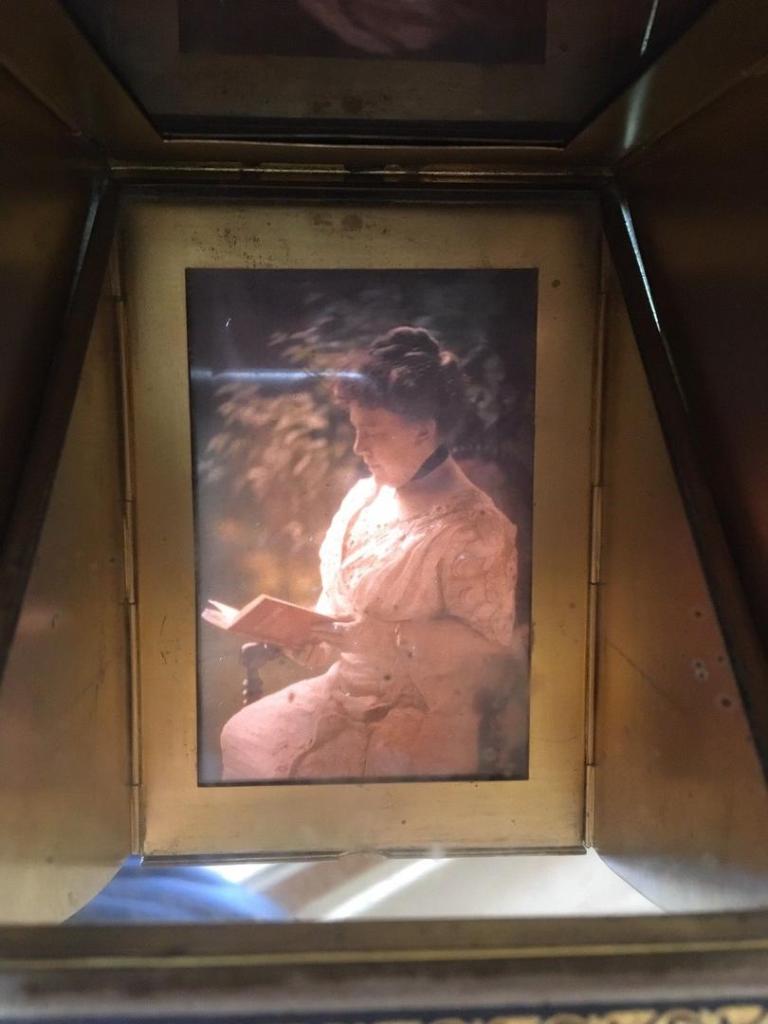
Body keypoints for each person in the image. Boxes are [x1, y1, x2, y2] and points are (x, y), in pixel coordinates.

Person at [220, 326, 525, 781]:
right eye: (356, 430)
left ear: (424, 431)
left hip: (424, 720)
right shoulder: (366, 496)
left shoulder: (475, 530)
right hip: (342, 695)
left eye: (374, 432)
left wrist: (390, 639)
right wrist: (312, 635)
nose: (359, 447)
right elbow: (340, 608)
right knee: (244, 734)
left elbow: (489, 657)